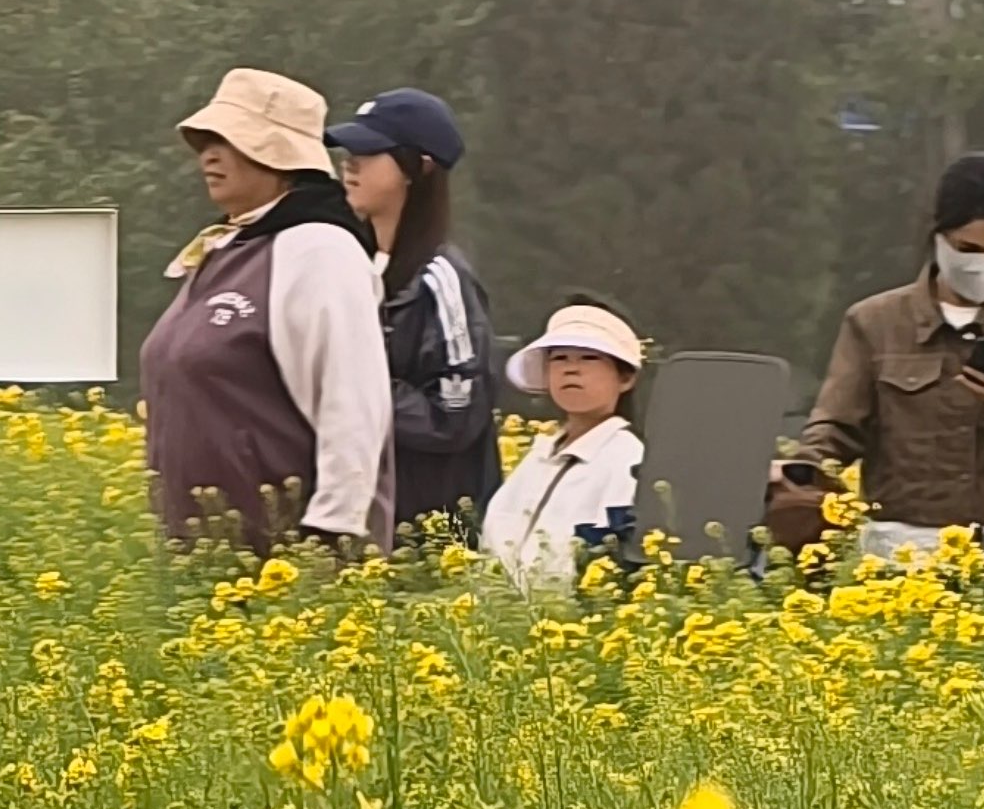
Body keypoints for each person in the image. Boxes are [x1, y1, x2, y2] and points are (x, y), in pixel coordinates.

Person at [775, 153, 984, 589]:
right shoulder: (874, 322)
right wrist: (799, 472)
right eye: (967, 249)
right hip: (905, 556)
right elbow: (837, 427)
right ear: (937, 238)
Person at [135, 65, 388, 554]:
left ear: (281, 155)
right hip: (206, 557)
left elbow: (352, 400)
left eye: (229, 141)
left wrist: (331, 534)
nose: (209, 155)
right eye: (205, 141)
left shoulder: (320, 250)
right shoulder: (229, 249)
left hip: (282, 561)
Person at [332, 87, 497, 531]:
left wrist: (350, 387)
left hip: (425, 539)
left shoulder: (441, 280)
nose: (350, 162)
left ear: (418, 168)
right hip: (357, 529)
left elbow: (454, 415)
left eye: (370, 151)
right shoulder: (352, 269)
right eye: (349, 150)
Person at [482, 301, 652, 592]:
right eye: (559, 358)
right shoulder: (538, 457)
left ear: (625, 378)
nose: (571, 370)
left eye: (588, 358)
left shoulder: (628, 461)